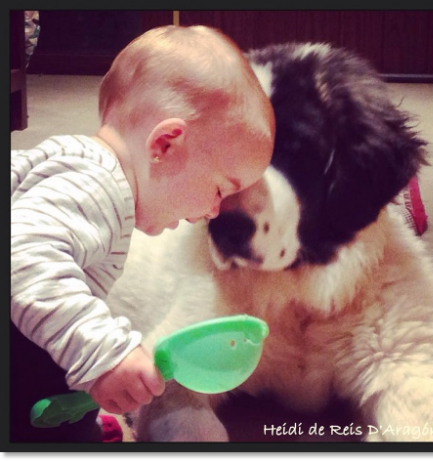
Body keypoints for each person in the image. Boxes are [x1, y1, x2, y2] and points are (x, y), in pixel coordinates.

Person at [11, 24, 275, 442]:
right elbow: (21, 257)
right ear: (166, 144)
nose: (213, 211)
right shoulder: (95, 184)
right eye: (220, 189)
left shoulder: (86, 171)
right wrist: (104, 356)